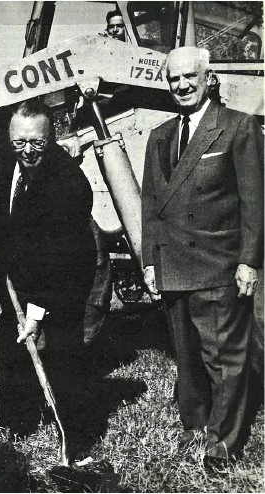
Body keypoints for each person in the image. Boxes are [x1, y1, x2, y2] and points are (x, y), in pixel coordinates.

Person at [142, 46, 263, 470]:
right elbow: (152, 205)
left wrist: (250, 260)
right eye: (173, 78)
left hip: (218, 264)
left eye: (190, 76)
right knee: (187, 356)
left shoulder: (237, 127)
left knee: (224, 359)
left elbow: (255, 201)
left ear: (208, 78)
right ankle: (194, 425)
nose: (182, 85)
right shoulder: (160, 136)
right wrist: (150, 261)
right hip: (173, 265)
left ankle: (223, 444)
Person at [0, 99, 96, 464]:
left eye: (38, 144)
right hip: (18, 265)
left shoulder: (69, 184)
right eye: (20, 143)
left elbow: (57, 258)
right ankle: (17, 420)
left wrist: (36, 314)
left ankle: (74, 438)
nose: (28, 152)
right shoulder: (2, 153)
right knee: (12, 342)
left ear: (52, 138)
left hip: (66, 272)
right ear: (9, 138)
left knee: (63, 348)